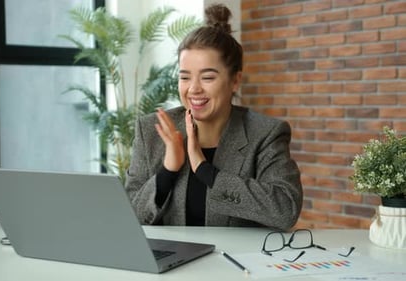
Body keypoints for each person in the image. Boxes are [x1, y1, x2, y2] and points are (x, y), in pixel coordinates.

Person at [125, 4, 302, 230]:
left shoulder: (265, 134)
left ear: (235, 81)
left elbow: (285, 210)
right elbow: (128, 216)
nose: (193, 89)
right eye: (185, 77)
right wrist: (168, 170)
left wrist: (205, 170)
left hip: (236, 262)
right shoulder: (151, 130)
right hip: (171, 263)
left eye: (207, 77)